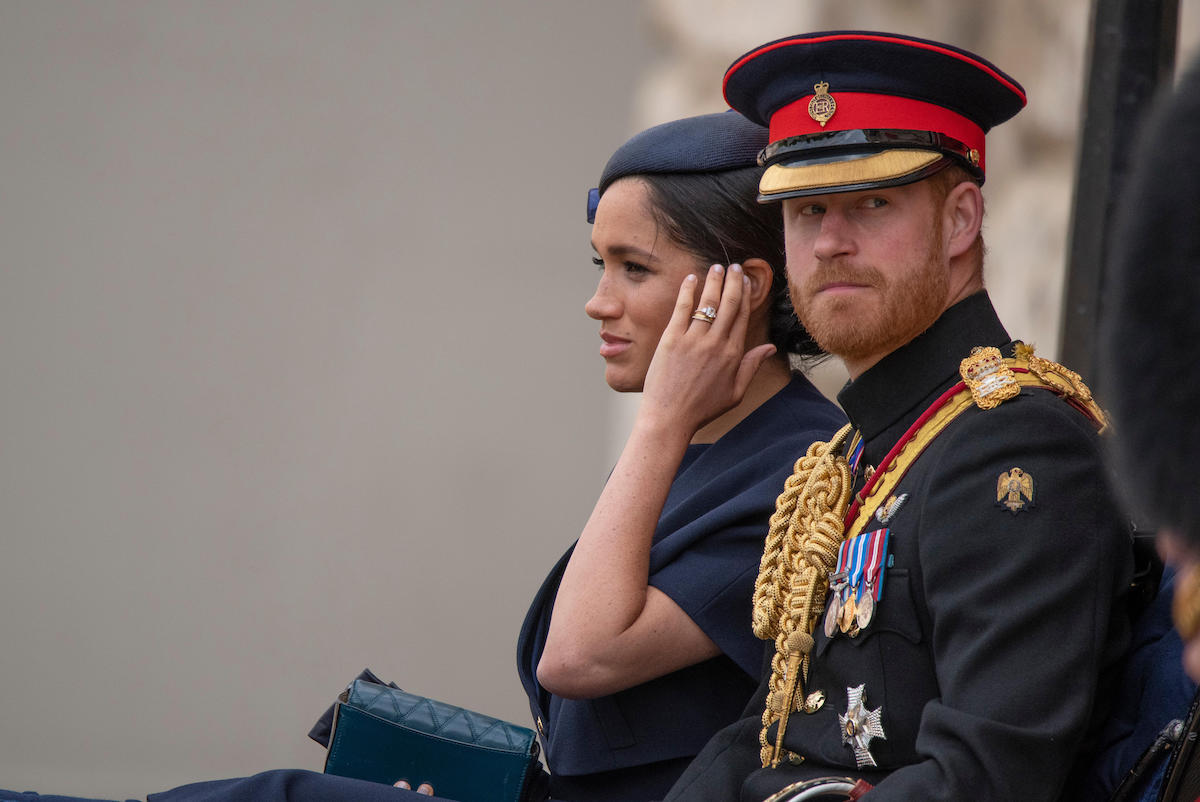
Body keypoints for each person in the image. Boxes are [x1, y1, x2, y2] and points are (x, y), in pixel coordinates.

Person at [0, 113, 845, 802]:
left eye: (633, 268)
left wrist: (658, 422)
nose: (598, 302)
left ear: (741, 288)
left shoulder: (798, 466)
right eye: (600, 264)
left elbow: (578, 657)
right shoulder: (712, 437)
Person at [662, 31, 1133, 802]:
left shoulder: (1014, 444)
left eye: (872, 203)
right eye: (807, 209)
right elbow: (768, 732)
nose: (830, 243)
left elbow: (984, 780)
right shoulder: (864, 449)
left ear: (960, 220)